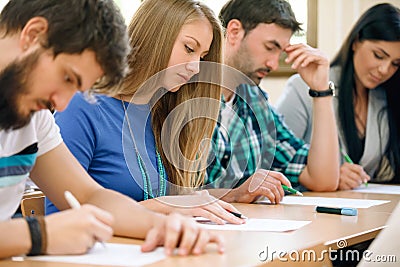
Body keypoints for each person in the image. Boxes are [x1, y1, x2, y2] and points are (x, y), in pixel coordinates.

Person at [0, 0, 223, 259]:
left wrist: (162, 225)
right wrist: (40, 235)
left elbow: (89, 195)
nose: (60, 104)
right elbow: (54, 219)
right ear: (33, 34)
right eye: (67, 77)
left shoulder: (33, 115)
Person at [45, 0, 244, 225]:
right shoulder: (84, 106)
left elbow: (168, 202)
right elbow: (60, 215)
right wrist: (166, 207)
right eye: (189, 48)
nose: (196, 67)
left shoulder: (165, 114)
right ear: (155, 37)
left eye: (202, 56)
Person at [205, 0, 340, 203]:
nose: (274, 64)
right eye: (270, 47)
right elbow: (166, 193)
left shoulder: (254, 102)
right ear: (234, 32)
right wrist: (234, 194)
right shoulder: (183, 93)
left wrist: (320, 90)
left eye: (280, 52)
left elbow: (323, 180)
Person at [277, 3, 400, 190]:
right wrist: (328, 174)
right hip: (309, 208)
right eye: (378, 55)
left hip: (358, 208)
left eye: (395, 63)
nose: (384, 70)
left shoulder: (384, 96)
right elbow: (273, 163)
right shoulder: (303, 87)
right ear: (356, 41)